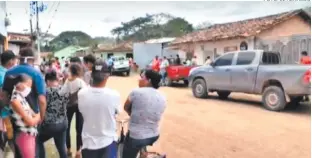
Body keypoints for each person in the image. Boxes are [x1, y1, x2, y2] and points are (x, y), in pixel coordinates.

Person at [2, 47, 47, 158]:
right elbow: (42, 100)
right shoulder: (36, 73)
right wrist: (42, 116)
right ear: (33, 59)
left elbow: (3, 96)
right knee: (33, 147)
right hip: (32, 117)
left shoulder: (9, 72)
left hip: (14, 118)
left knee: (18, 147)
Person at [78, 59, 120, 158]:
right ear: (107, 76)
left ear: (92, 75)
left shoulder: (82, 94)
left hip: (88, 144)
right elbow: (116, 113)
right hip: (109, 142)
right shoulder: (114, 94)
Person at [122, 70, 166, 158]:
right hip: (154, 135)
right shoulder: (162, 96)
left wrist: (132, 114)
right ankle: (143, 154)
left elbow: (126, 107)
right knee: (142, 138)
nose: (139, 79)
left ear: (148, 80)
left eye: (142, 77)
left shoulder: (136, 92)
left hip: (136, 137)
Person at [37, 71, 68, 158]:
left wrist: (41, 120)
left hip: (49, 125)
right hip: (63, 124)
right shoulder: (64, 89)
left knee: (37, 140)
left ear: (47, 81)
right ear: (57, 80)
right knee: (61, 147)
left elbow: (41, 106)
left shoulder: (44, 92)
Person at [9, 74, 41, 158]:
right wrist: (40, 114)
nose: (29, 89)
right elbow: (30, 121)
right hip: (24, 135)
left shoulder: (21, 96)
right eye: (28, 85)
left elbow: (33, 114)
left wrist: (37, 116)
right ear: (21, 84)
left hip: (30, 134)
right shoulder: (15, 99)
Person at [59, 63, 87, 158]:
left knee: (67, 128)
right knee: (79, 128)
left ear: (71, 71)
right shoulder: (80, 82)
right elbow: (86, 92)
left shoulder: (67, 81)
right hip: (80, 106)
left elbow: (62, 93)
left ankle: (68, 149)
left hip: (69, 106)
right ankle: (78, 151)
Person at [0, 50, 17, 156]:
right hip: (5, 110)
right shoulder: (7, 74)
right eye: (14, 60)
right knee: (9, 134)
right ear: (11, 61)